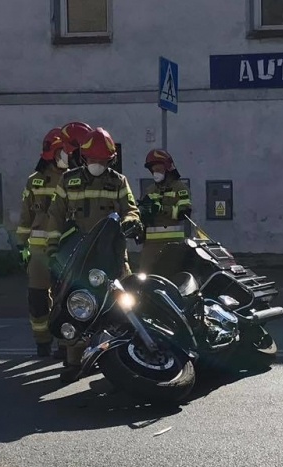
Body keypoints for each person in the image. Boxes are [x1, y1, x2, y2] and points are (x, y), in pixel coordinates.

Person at [51, 126, 142, 375]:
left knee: (124, 302)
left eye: (102, 160)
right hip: (78, 255)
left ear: (110, 159)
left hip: (112, 253)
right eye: (93, 159)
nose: (97, 164)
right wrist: (52, 249)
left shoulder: (118, 181)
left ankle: (124, 357)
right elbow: (55, 217)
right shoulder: (68, 181)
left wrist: (131, 221)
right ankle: (72, 362)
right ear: (84, 157)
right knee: (77, 304)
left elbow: (130, 209)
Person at [15, 127, 70, 357]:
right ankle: (42, 341)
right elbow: (26, 216)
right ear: (54, 153)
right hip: (38, 248)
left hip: (66, 247)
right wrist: (21, 245)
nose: (67, 156)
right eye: (63, 152)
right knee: (37, 297)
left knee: (65, 297)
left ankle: (65, 343)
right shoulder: (34, 181)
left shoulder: (74, 179)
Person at [139, 148, 193, 275]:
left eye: (158, 169)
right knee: (145, 278)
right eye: (153, 170)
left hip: (173, 246)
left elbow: (184, 213)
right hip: (150, 247)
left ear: (168, 168)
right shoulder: (150, 190)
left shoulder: (180, 188)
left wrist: (161, 209)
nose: (155, 173)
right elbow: (142, 212)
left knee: (172, 278)